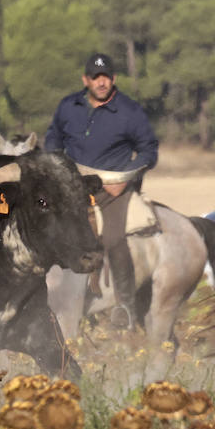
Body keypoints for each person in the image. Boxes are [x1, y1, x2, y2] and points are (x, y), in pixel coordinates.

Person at [44, 52, 159, 324]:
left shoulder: (130, 111)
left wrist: (125, 178)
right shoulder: (67, 106)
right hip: (72, 189)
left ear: (114, 79)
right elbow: (53, 141)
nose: (101, 82)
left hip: (112, 190)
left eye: (105, 77)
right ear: (86, 79)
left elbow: (148, 151)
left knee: (113, 239)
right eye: (95, 78)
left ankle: (126, 307)